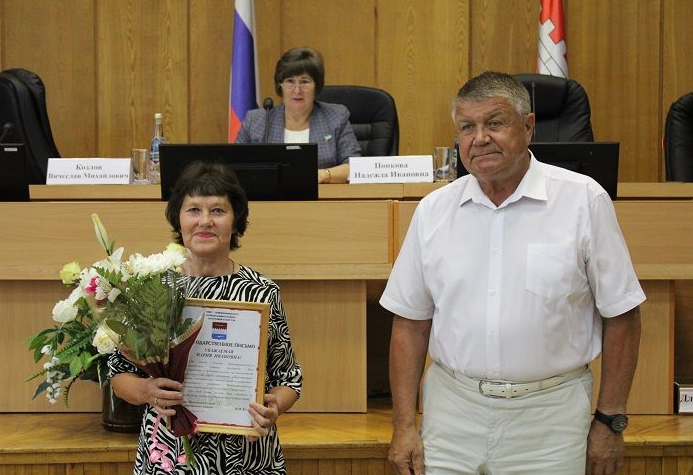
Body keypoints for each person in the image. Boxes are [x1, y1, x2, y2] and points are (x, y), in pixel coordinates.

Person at [380, 71, 644, 475]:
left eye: (495, 123)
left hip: (550, 418)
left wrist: (611, 421)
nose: (479, 138)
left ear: (528, 126)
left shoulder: (583, 200)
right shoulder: (433, 211)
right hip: (452, 412)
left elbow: (622, 315)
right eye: (467, 126)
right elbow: (410, 324)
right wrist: (403, 426)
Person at [109, 161, 303, 474]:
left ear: (235, 221)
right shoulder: (153, 289)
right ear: (178, 218)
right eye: (194, 210)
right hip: (170, 455)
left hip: (247, 458)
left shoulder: (262, 293)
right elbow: (118, 375)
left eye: (218, 210)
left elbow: (289, 378)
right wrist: (146, 391)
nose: (205, 221)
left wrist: (274, 406)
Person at [234, 46, 361, 184]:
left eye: (304, 81)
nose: (297, 90)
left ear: (316, 86)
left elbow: (354, 167)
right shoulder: (256, 121)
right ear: (280, 85)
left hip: (321, 200)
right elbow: (233, 167)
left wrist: (324, 175)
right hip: (270, 202)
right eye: (290, 81)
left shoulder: (336, 117)